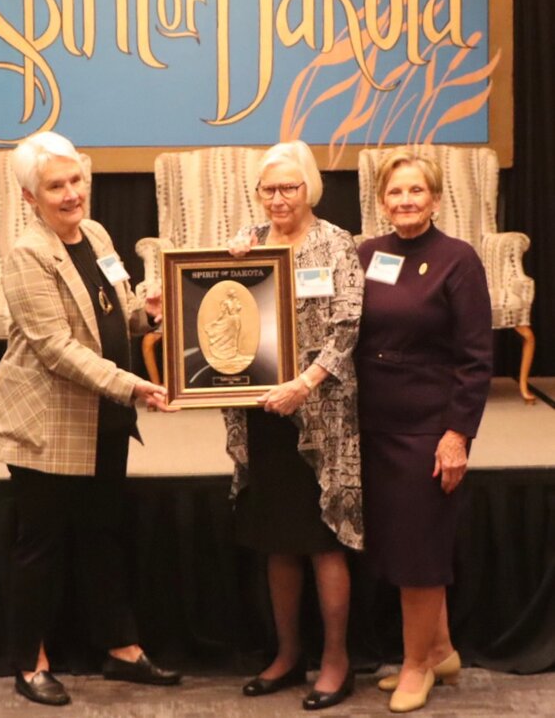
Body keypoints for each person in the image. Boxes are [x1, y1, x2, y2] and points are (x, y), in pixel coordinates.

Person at [0, 131, 180, 707]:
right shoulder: (28, 254)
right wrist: (135, 386)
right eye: (55, 186)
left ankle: (120, 649)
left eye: (76, 181)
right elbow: (57, 349)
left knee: (103, 536)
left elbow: (111, 313)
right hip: (46, 422)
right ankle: (30, 661)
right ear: (30, 196)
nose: (71, 195)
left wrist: (148, 314)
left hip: (103, 417)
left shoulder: (95, 234)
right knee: (41, 545)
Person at [224, 140, 364, 711]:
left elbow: (347, 328)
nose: (279, 198)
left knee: (322, 541)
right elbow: (219, 304)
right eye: (269, 189)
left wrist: (302, 384)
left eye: (290, 187)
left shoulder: (337, 244)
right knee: (277, 541)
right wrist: (221, 267)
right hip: (263, 415)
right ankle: (287, 655)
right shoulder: (247, 243)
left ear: (310, 189)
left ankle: (335, 662)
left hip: (321, 415)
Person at [355, 149, 493, 713]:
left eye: (416, 191)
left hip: (428, 428)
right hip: (373, 421)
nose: (405, 201)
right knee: (400, 543)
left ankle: (417, 667)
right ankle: (439, 648)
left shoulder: (458, 260)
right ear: (381, 201)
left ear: (435, 199)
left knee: (418, 551)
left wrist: (458, 434)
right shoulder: (367, 254)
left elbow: (477, 356)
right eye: (395, 192)